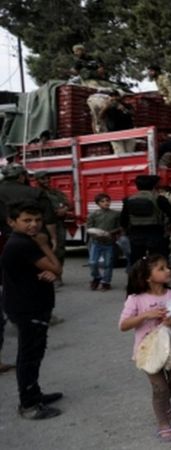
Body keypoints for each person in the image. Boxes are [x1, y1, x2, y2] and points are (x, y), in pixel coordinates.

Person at [1, 201, 63, 419]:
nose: (33, 225)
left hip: (32, 304)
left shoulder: (25, 241)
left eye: (37, 220)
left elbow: (49, 272)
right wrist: (45, 245)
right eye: (26, 220)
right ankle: (28, 405)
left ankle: (35, 394)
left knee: (35, 353)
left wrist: (49, 273)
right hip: (28, 307)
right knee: (29, 355)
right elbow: (57, 267)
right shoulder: (23, 244)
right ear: (12, 222)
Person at [119, 255, 171, 442]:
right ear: (147, 277)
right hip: (147, 352)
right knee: (160, 388)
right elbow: (123, 325)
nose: (168, 270)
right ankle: (163, 423)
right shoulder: (136, 299)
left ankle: (163, 403)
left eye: (167, 267)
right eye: (161, 268)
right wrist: (145, 315)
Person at [121, 175, 171, 262]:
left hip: (136, 232)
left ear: (137, 186)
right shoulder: (159, 198)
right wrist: (169, 227)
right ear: (153, 185)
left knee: (137, 259)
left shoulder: (128, 199)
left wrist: (126, 231)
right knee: (157, 259)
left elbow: (123, 218)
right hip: (155, 231)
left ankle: (138, 274)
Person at [33, 172, 71, 285]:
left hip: (58, 223)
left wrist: (64, 210)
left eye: (47, 178)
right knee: (42, 250)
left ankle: (57, 275)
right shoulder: (35, 193)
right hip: (42, 224)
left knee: (59, 249)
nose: (46, 181)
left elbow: (69, 204)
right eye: (43, 179)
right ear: (37, 180)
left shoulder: (56, 192)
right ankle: (43, 275)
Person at [86, 193, 121, 291]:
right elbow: (89, 228)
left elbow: (120, 227)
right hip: (96, 242)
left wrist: (110, 233)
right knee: (92, 262)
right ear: (97, 203)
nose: (106, 203)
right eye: (102, 201)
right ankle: (96, 278)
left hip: (109, 243)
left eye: (107, 201)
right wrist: (97, 233)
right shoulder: (93, 214)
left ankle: (106, 282)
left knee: (108, 264)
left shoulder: (115, 214)